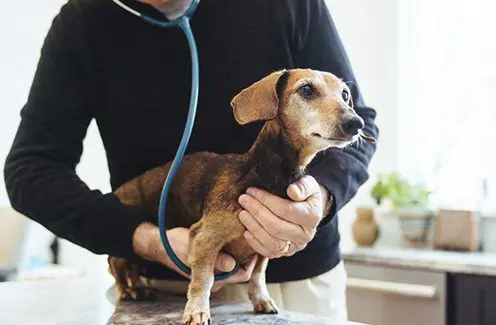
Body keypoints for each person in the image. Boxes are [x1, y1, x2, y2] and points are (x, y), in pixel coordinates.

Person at [4, 0, 378, 322]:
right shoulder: (83, 22)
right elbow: (31, 171)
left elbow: (359, 125)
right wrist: (144, 239)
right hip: (166, 289)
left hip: (299, 282)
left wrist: (319, 197)